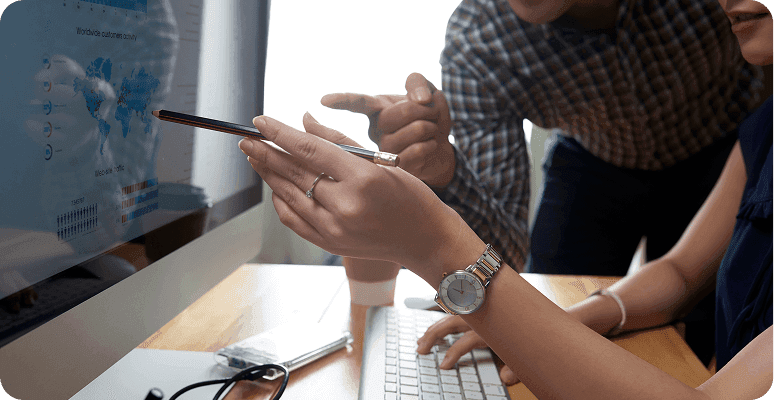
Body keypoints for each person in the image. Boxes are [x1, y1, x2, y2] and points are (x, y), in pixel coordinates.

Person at [235, 0, 773, 394]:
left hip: (724, 137)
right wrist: (445, 180)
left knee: (724, 320)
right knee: (545, 303)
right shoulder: (479, 41)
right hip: (602, 161)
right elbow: (512, 258)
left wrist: (432, 242)